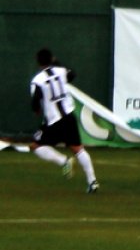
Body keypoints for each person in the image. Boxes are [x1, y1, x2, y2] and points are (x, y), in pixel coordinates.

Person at [29, 48, 99, 193]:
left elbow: (36, 101)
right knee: (78, 148)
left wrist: (37, 110)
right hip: (69, 116)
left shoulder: (37, 80)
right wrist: (57, 63)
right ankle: (92, 181)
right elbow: (72, 74)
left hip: (53, 120)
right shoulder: (61, 71)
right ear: (51, 59)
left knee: (36, 146)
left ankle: (64, 161)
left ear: (38, 62)